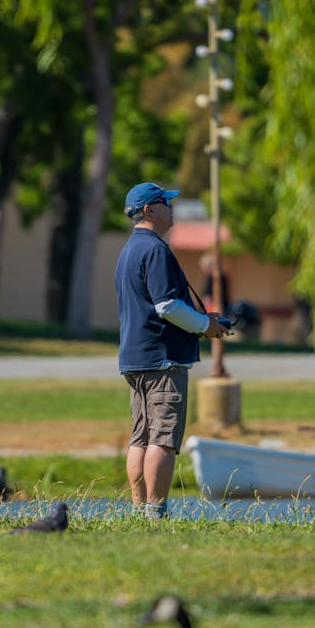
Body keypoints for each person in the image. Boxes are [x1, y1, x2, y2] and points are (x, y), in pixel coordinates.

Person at [115, 182, 228, 519]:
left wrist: (201, 321)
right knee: (163, 439)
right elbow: (167, 306)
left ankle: (139, 512)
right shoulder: (156, 250)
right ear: (150, 210)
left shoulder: (129, 251)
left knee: (141, 437)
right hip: (162, 360)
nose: (172, 206)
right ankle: (155, 513)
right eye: (166, 202)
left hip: (136, 359)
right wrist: (205, 326)